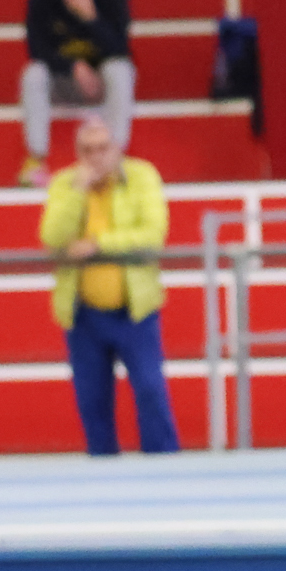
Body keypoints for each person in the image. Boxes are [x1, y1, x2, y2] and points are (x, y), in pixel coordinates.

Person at [40, 117, 177, 455]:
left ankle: (165, 470)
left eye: (102, 148)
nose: (96, 157)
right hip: (84, 314)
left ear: (117, 148)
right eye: (87, 151)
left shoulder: (142, 176)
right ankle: (102, 473)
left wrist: (99, 244)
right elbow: (53, 238)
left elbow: (153, 235)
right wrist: (77, 193)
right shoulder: (65, 184)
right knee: (92, 402)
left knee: (150, 391)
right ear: (78, 153)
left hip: (135, 310)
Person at [20, 0, 135, 189]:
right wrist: (74, 67)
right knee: (33, 74)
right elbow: (36, 50)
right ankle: (36, 160)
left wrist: (92, 18)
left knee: (121, 70)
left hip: (100, 84)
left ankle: (115, 157)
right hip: (62, 83)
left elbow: (120, 49)